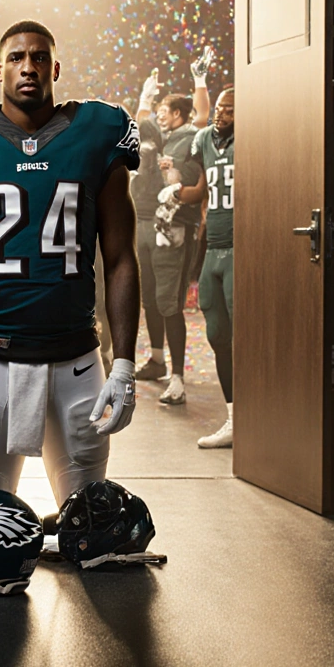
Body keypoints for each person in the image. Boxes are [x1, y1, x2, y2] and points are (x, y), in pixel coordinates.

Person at [0, 19, 142, 508]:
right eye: (17, 58)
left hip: (77, 360)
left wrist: (124, 364)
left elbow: (121, 257)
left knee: (89, 529)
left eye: (39, 57)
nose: (28, 67)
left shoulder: (98, 132)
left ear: (55, 68)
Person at [129, 51, 212, 405]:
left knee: (169, 301)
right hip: (144, 220)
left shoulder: (190, 135)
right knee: (149, 297)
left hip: (173, 225)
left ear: (178, 115)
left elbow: (203, 115)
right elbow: (138, 125)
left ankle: (177, 376)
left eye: (165, 109)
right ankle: (158, 359)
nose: (159, 115)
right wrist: (145, 100)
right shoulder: (157, 137)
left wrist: (199, 82)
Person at [195, 87, 236, 448]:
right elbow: (200, 188)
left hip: (241, 247)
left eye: (229, 109)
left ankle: (259, 416)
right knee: (217, 334)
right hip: (214, 247)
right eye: (219, 108)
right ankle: (234, 418)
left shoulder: (252, 139)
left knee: (245, 334)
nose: (220, 114)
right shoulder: (206, 139)